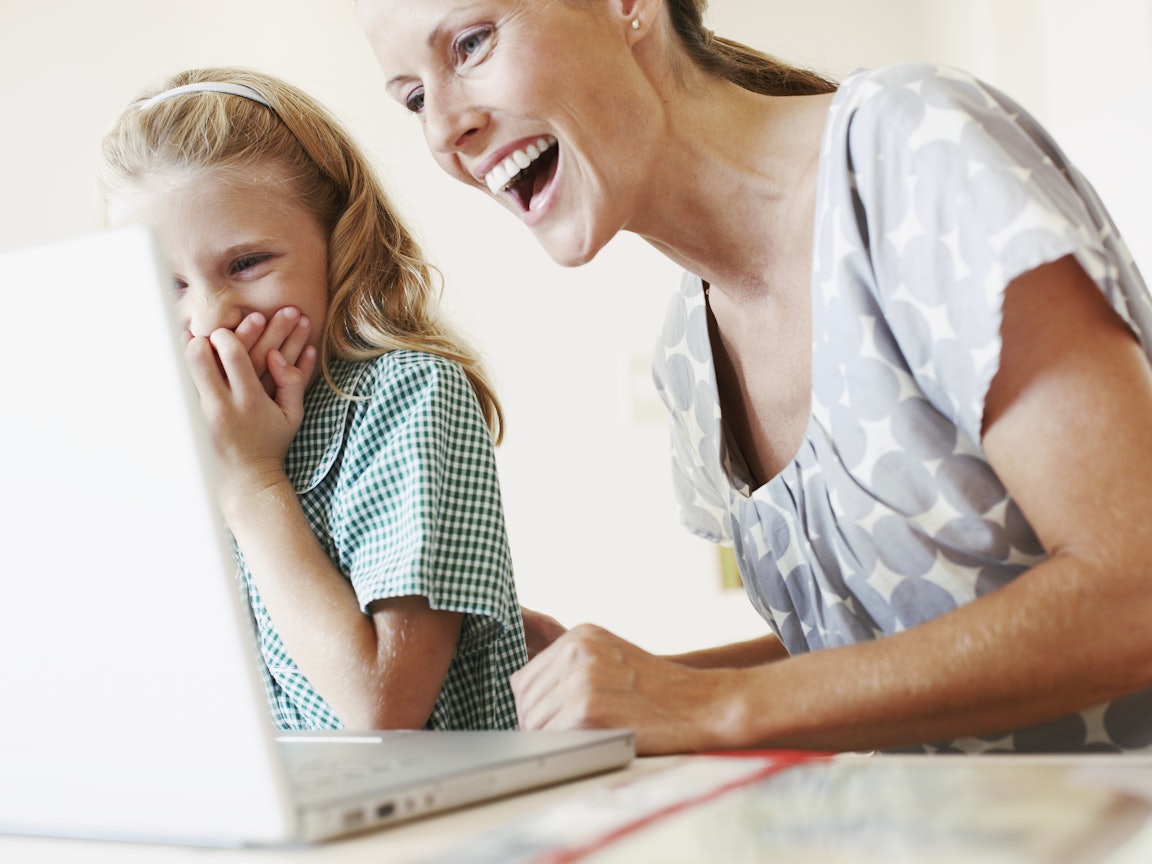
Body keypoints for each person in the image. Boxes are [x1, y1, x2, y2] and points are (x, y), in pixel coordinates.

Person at [358, 0, 1152, 755]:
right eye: (411, 98)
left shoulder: (912, 150)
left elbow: (1134, 595)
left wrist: (712, 706)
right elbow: (884, 645)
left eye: (470, 44)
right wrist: (639, 686)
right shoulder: (686, 353)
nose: (444, 128)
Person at [96, 67, 528, 732]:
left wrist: (250, 483)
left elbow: (382, 708)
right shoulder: (172, 436)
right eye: (169, 283)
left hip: (430, 820)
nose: (210, 317)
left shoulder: (408, 394)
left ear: (342, 241)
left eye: (246, 264)